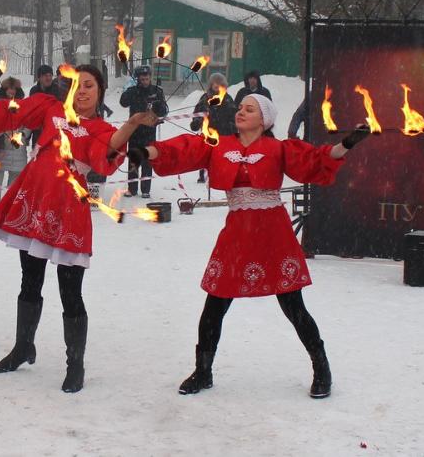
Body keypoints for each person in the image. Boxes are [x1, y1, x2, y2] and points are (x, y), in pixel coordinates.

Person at [129, 94, 371, 398]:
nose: (241, 112)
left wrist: (347, 144)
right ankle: (203, 371)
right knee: (214, 304)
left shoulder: (279, 148)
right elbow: (185, 150)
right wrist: (146, 151)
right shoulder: (221, 144)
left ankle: (321, 369)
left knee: (294, 307)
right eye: (240, 108)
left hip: (273, 234)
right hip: (238, 234)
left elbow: (314, 160)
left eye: (249, 109)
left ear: (264, 119)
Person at [0, 64, 158, 393]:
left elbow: (108, 151)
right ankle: (23, 347)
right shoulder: (50, 107)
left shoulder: (100, 128)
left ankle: (75, 364)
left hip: (68, 208)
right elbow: (12, 114)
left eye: (89, 85)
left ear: (99, 93)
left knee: (70, 291)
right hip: (34, 200)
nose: (81, 90)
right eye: (76, 85)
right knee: (30, 279)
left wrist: (131, 124)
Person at [119, 65, 167, 198]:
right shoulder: (133, 90)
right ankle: (132, 189)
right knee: (134, 160)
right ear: (138, 79)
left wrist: (159, 105)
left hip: (149, 131)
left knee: (148, 160)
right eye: (142, 79)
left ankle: (146, 190)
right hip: (134, 131)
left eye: (147, 78)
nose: (145, 81)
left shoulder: (157, 90)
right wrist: (129, 90)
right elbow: (123, 102)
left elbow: (164, 110)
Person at [0, 77, 29, 209]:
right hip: (0, 146)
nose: (11, 91)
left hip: (18, 147)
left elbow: (30, 122)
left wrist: (22, 134)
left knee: (15, 179)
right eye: (9, 88)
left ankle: (12, 207)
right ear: (4, 89)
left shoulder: (23, 105)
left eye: (14, 88)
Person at [190, 72, 237, 183]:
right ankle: (203, 176)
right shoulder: (205, 98)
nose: (216, 85)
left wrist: (230, 128)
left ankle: (221, 174)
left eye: (219, 83)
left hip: (223, 133)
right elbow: (198, 112)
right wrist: (197, 122)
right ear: (211, 84)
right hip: (208, 133)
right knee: (205, 154)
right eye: (214, 83)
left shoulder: (227, 99)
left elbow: (234, 116)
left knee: (222, 155)